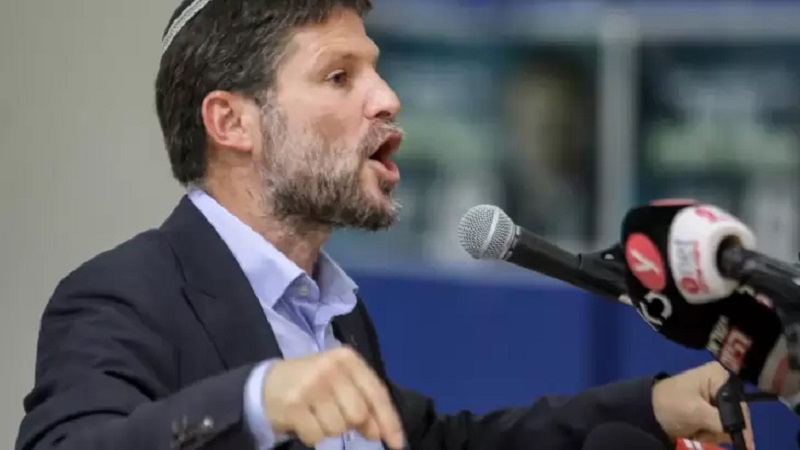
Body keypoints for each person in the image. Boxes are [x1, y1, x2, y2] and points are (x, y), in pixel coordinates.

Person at [15, 1, 755, 449]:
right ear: (231, 122)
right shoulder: (123, 293)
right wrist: (254, 402)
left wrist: (649, 407)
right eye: (340, 76)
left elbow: (437, 444)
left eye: (376, 69)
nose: (388, 98)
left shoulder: (332, 309)